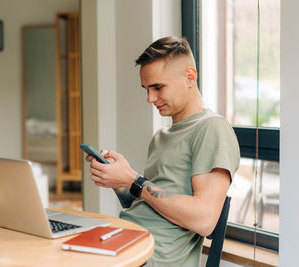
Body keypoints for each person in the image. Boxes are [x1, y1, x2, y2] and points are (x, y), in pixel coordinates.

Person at [85, 36, 240, 266]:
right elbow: (151, 206)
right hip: (127, 242)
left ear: (190, 77)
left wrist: (134, 180)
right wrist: (120, 182)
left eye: (158, 87)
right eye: (146, 89)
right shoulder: (161, 137)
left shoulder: (212, 129)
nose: (150, 98)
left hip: (154, 259)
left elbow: (204, 220)